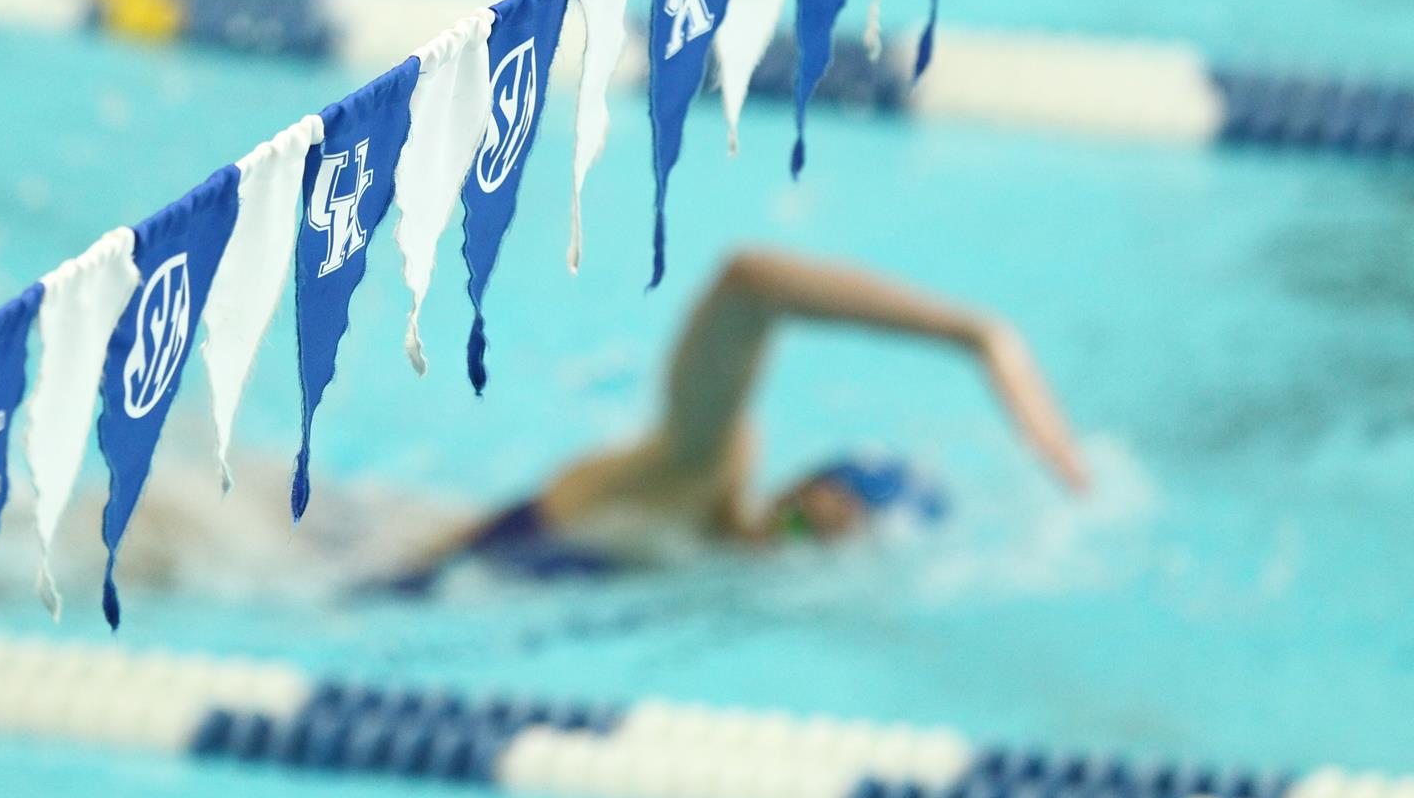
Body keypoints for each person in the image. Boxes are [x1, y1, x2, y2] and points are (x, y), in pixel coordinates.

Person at [386, 247, 1090, 590]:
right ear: (787, 492)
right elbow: (748, 281)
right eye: (795, 522)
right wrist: (975, 333)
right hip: (341, 555)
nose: (780, 549)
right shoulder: (696, 477)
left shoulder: (703, 569)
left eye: (816, 552)